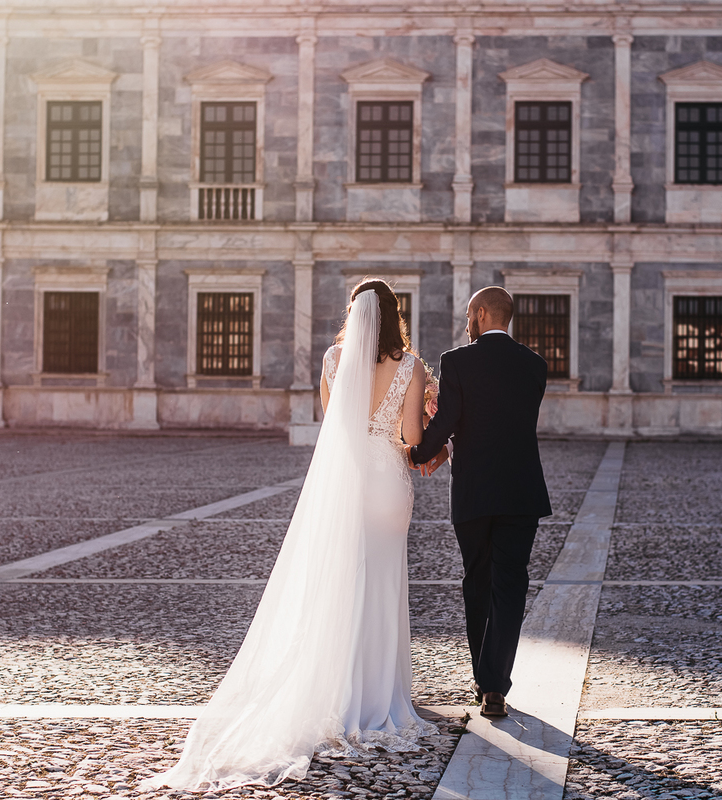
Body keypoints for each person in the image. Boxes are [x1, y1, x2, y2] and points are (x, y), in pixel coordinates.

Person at [142, 280, 436, 792]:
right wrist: (427, 419)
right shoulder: (410, 365)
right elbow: (410, 438)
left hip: (346, 481)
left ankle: (339, 690)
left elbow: (335, 426)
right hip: (388, 482)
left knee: (341, 585)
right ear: (394, 316)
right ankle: (380, 697)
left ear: (355, 314)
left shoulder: (332, 359)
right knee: (385, 582)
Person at [405, 286, 552, 718]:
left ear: (482, 313)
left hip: (473, 491)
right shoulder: (535, 366)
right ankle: (494, 684)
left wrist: (415, 451)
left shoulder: (457, 361)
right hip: (522, 491)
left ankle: (483, 678)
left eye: (469, 315)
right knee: (511, 585)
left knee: (477, 581)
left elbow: (449, 420)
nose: (466, 323)